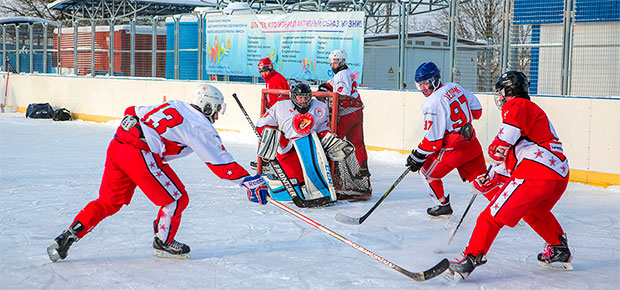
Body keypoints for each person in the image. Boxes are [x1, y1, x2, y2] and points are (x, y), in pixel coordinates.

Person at [47, 84, 269, 262]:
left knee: (108, 202)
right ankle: (163, 241)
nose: (217, 116)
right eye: (217, 110)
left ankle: (69, 234)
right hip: (139, 153)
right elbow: (220, 163)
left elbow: (132, 111)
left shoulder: (176, 104)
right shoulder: (199, 125)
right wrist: (248, 180)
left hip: (117, 145)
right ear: (209, 106)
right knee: (176, 199)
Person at [443, 71, 572, 281]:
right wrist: (490, 177)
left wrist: (496, 147)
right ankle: (559, 249)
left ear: (510, 91)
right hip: (558, 176)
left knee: (489, 218)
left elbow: (503, 143)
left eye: (501, 92)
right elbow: (511, 159)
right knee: (533, 213)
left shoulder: (517, 105)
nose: (500, 97)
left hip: (536, 173)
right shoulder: (529, 115)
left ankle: (470, 259)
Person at [405, 62, 487, 217]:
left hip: (452, 150)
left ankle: (442, 205)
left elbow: (433, 140)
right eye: (419, 84)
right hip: (471, 143)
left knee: (426, 173)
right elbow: (477, 111)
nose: (423, 88)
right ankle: (508, 207)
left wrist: (418, 155)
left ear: (435, 79)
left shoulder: (431, 102)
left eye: (425, 83)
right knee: (483, 180)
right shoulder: (454, 87)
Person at [256, 82, 347, 202]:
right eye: (300, 97)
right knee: (294, 183)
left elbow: (322, 130)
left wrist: (329, 140)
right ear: (293, 97)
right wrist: (280, 139)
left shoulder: (320, 107)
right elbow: (261, 125)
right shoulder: (280, 107)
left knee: (318, 174)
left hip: (309, 148)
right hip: (287, 150)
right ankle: (272, 182)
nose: (303, 100)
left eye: (306, 97)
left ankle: (321, 192)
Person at [318, 49, 369, 178]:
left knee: (334, 140)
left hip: (347, 113)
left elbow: (342, 93)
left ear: (342, 62)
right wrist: (324, 87)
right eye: (332, 62)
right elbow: (331, 84)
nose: (333, 65)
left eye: (335, 62)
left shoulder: (341, 75)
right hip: (357, 111)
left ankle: (332, 170)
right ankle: (363, 167)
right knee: (357, 142)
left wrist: (327, 96)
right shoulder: (347, 72)